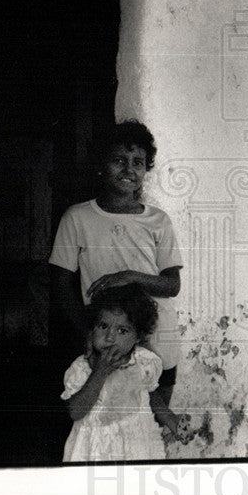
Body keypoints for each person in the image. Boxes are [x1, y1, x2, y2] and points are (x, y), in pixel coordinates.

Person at [50, 120, 191, 443]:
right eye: (119, 161)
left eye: (138, 162)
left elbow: (171, 285)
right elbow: (59, 283)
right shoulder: (78, 218)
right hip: (108, 335)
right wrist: (86, 331)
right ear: (101, 165)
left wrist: (128, 276)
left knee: (152, 422)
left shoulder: (158, 221)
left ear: (146, 168)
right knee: (100, 424)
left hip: (157, 337)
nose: (129, 169)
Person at [61, 284, 176, 461]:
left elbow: (149, 394)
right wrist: (100, 372)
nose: (110, 337)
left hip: (136, 444)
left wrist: (169, 418)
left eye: (122, 330)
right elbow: (75, 412)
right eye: (103, 326)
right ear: (92, 331)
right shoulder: (82, 368)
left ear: (138, 336)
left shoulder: (143, 361)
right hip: (95, 449)